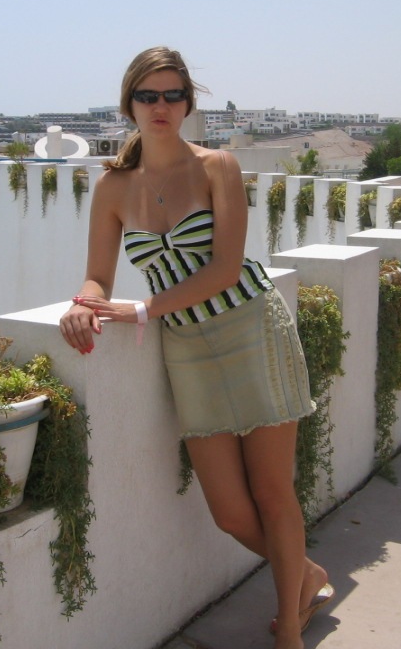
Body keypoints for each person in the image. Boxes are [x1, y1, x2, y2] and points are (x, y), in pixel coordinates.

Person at [59, 47, 332, 648]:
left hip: (251, 331)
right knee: (230, 513)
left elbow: (227, 267)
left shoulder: (218, 167)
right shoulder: (112, 186)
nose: (160, 106)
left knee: (272, 492)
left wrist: (143, 309)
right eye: (147, 95)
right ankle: (307, 575)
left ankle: (290, 625)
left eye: (172, 95)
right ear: (129, 104)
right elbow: (98, 275)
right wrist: (83, 303)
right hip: (187, 349)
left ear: (187, 104)